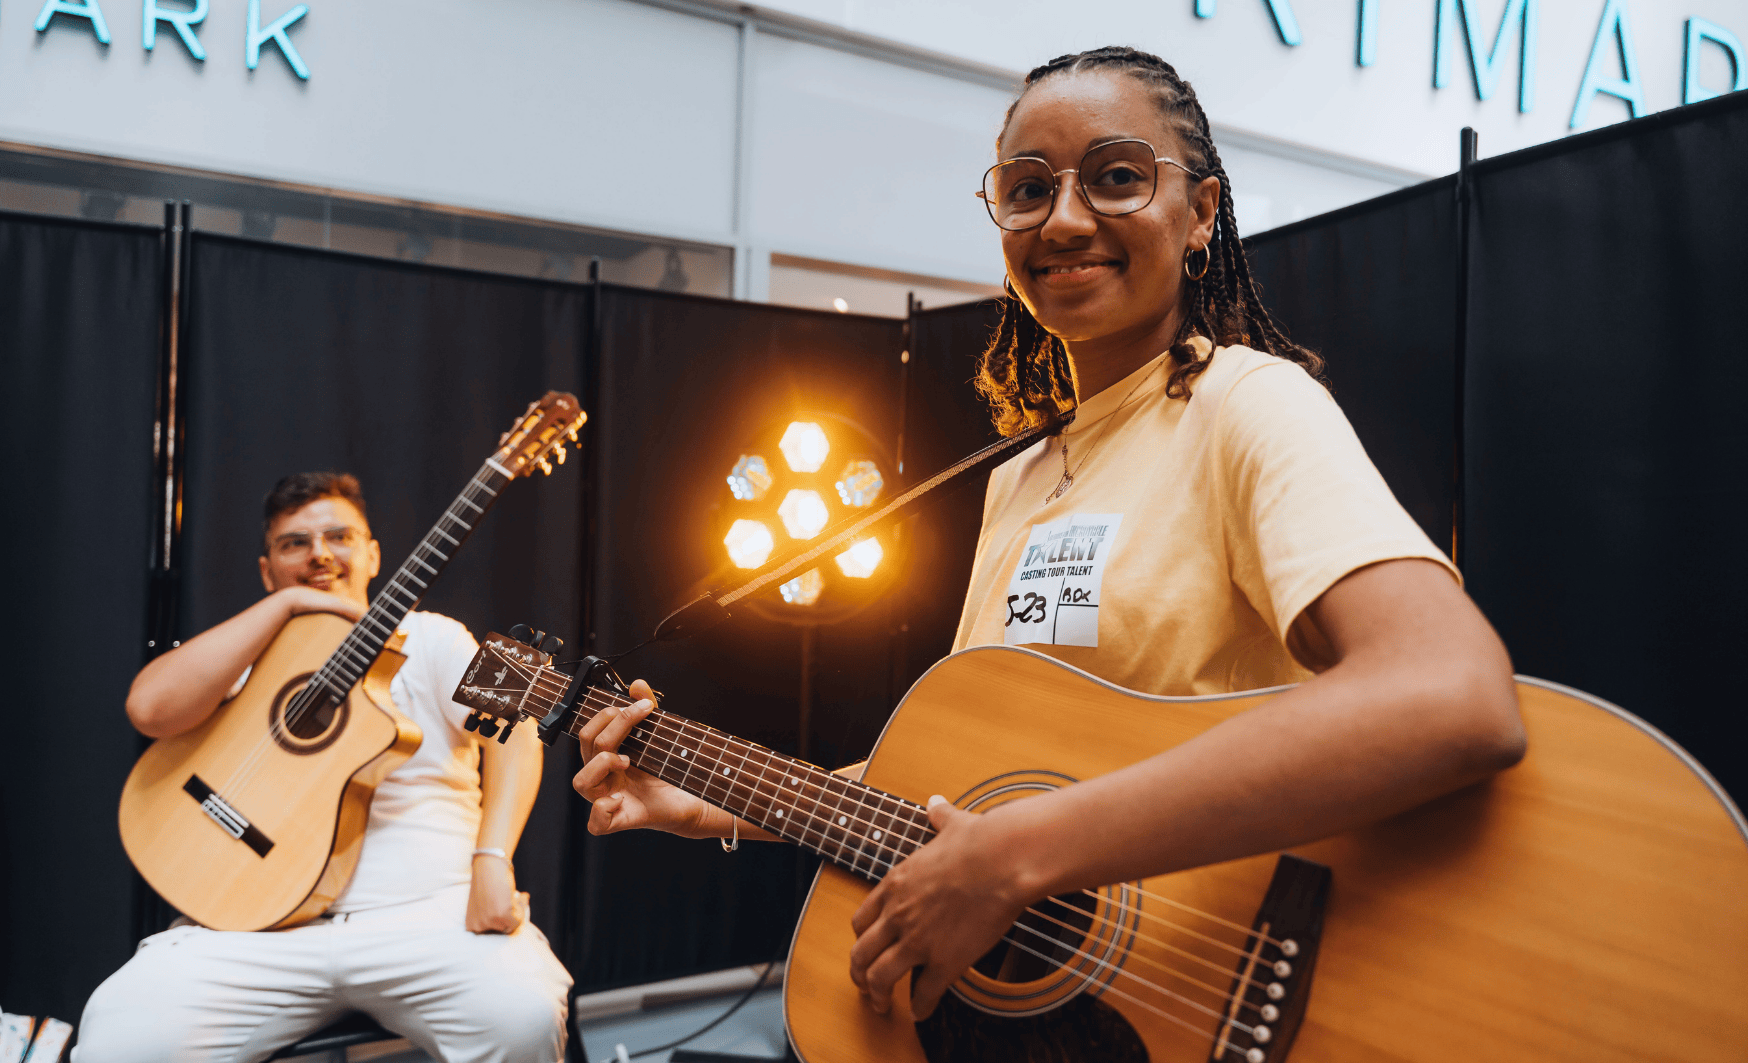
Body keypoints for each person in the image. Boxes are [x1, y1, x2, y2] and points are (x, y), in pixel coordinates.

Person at [570, 44, 1525, 1027]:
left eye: (1114, 177)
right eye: (1027, 189)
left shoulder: (1245, 405)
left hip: (1235, 994)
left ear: (1198, 212)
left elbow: (1451, 697)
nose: (1063, 220)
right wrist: (711, 801)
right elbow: (960, 786)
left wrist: (1019, 851)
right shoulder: (1018, 477)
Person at [77, 473, 571, 1063]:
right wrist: (285, 608)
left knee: (522, 1017)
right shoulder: (247, 651)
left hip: (430, 914)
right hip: (250, 927)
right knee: (119, 1037)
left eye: (338, 536)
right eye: (294, 543)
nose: (318, 554)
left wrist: (492, 860)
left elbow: (520, 733)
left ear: (372, 554)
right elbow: (148, 709)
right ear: (267, 569)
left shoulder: (438, 635)